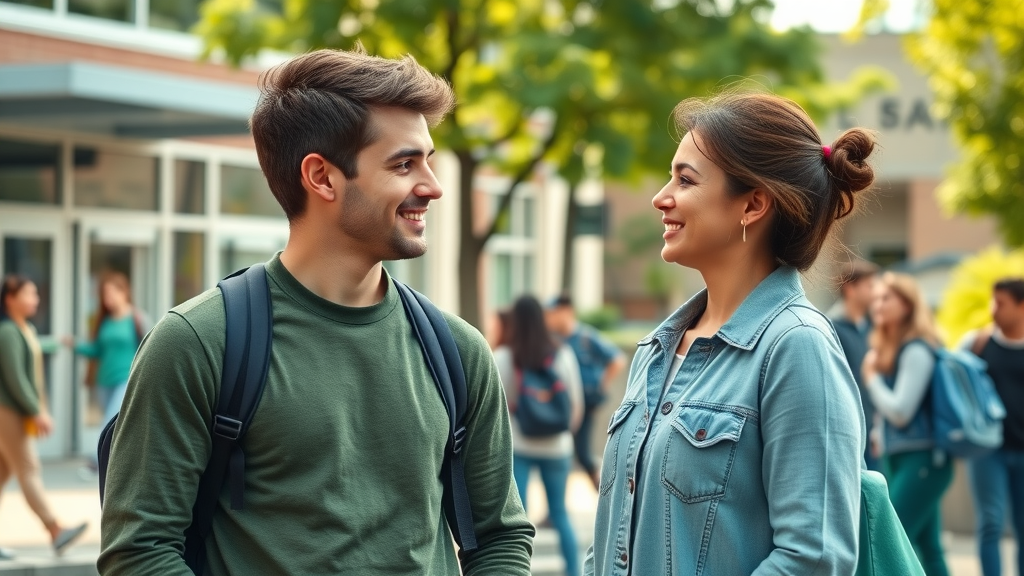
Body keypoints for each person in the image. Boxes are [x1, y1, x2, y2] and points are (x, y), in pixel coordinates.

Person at [98, 48, 534, 576]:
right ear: (322, 177)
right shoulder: (198, 342)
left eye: (429, 159)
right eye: (404, 163)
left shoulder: (457, 351)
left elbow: (501, 539)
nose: (433, 186)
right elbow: (139, 551)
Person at [586, 91, 871, 575]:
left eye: (685, 179)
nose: (661, 196)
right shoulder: (655, 350)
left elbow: (814, 557)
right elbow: (610, 538)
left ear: (752, 204)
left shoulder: (796, 347)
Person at [862, 272, 951, 576]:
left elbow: (901, 411)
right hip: (905, 458)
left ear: (908, 305)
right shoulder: (893, 349)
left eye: (886, 298)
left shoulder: (916, 349)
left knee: (888, 545)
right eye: (875, 299)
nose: (878, 305)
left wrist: (872, 379)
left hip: (923, 459)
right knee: (929, 549)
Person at [0, 274, 89, 559]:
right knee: (29, 469)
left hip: (10, 410)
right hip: (7, 411)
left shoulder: (21, 329)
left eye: (36, 294)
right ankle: (55, 530)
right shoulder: (8, 333)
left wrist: (57, 344)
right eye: (29, 294)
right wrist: (36, 411)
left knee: (3, 472)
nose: (35, 300)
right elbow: (15, 377)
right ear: (10, 299)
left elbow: (35, 350)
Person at [495, 295, 584, 576]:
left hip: (519, 445)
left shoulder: (505, 356)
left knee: (517, 520)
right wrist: (562, 432)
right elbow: (576, 405)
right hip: (558, 447)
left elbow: (498, 407)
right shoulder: (562, 353)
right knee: (559, 513)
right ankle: (574, 571)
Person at [962, 277, 1024, 576]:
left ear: (1021, 307)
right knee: (991, 522)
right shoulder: (977, 343)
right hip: (987, 452)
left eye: (1001, 303)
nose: (993, 309)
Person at [545, 294, 625, 489]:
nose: (549, 318)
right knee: (566, 453)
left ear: (566, 312)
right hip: (563, 404)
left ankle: (603, 489)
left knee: (581, 452)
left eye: (553, 313)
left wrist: (600, 385)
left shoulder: (585, 337)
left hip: (585, 404)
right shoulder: (553, 339)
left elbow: (618, 360)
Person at [65, 271, 146, 429]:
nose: (106, 298)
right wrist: (76, 345)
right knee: (113, 427)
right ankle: (112, 454)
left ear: (123, 292)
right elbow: (97, 350)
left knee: (109, 424)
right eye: (104, 294)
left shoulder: (138, 318)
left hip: (126, 380)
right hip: (104, 381)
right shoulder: (105, 321)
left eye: (110, 293)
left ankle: (99, 454)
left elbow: (148, 348)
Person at [832, 259, 881, 471]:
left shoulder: (873, 328)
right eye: (870, 286)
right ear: (850, 289)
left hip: (874, 431)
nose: (876, 292)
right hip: (848, 433)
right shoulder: (830, 328)